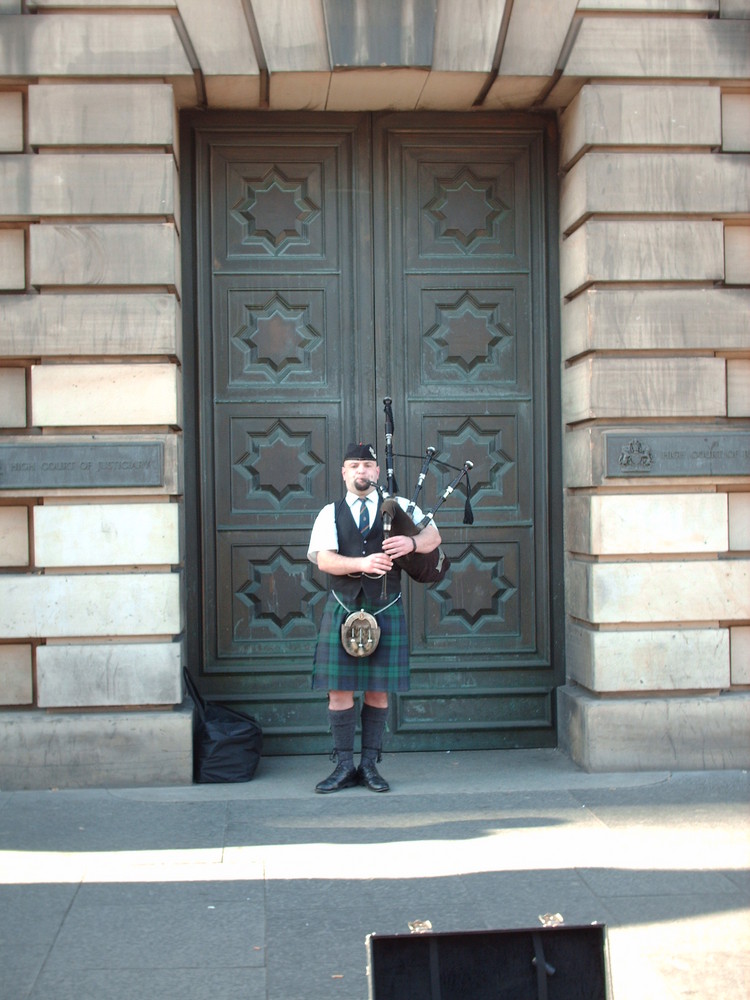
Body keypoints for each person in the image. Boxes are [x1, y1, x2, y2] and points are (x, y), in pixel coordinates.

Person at [307, 441, 442, 793]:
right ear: (344, 472)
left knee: (378, 692)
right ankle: (342, 766)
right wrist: (361, 564)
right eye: (354, 466)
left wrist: (411, 544)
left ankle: (369, 766)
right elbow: (324, 560)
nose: (361, 472)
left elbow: (433, 535)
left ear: (377, 472)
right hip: (344, 604)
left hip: (385, 607)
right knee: (339, 691)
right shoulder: (329, 512)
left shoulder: (399, 506)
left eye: (367, 466)